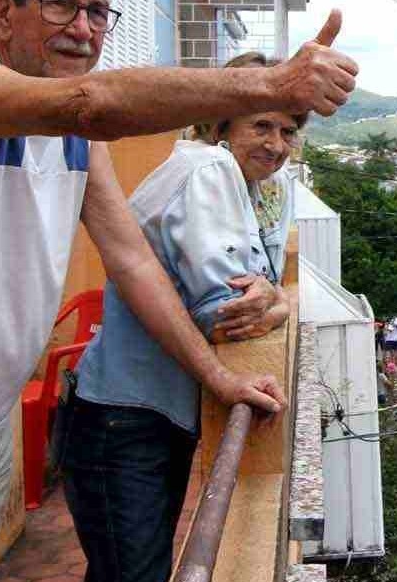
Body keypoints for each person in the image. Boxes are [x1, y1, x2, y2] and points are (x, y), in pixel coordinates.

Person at [0, 0, 355, 582]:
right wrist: (273, 83)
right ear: (1, 11)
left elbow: (132, 261)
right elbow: (92, 104)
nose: (83, 28)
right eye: (59, 4)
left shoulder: (74, 139)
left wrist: (218, 379)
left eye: (99, 12)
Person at [62, 49, 305, 580]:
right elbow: (226, 315)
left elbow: (265, 289)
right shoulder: (208, 167)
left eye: (288, 131)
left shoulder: (260, 186)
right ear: (222, 122)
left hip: (155, 416)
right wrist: (275, 303)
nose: (276, 144)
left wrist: (279, 300)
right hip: (122, 421)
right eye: (261, 124)